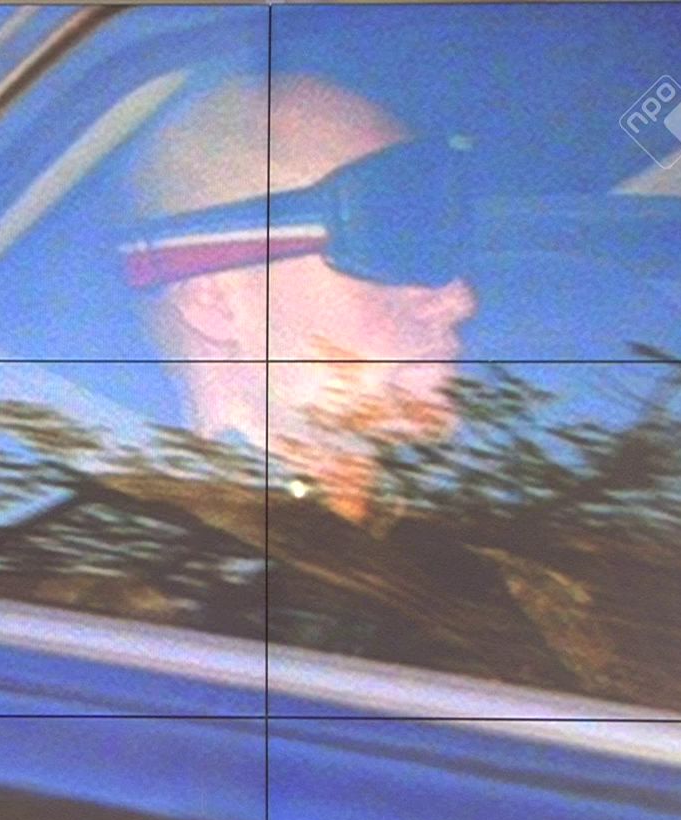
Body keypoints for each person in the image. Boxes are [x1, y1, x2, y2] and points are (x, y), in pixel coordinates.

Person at [124, 72, 475, 525]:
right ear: (214, 301)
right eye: (386, 242)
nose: (460, 300)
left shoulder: (434, 531)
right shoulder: (163, 554)